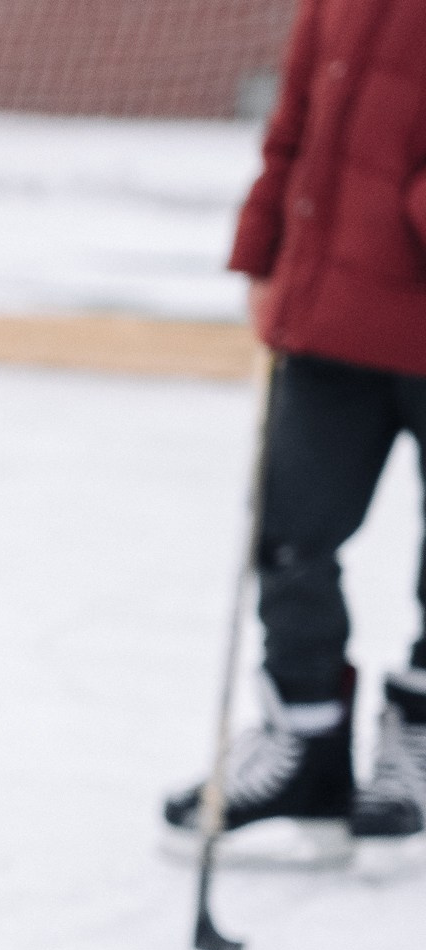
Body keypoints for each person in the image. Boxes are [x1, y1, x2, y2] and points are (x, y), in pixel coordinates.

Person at [163, 0, 426, 864]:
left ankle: (418, 734)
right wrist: (266, 248)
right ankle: (304, 747)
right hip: (331, 317)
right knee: (288, 531)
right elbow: (298, 125)